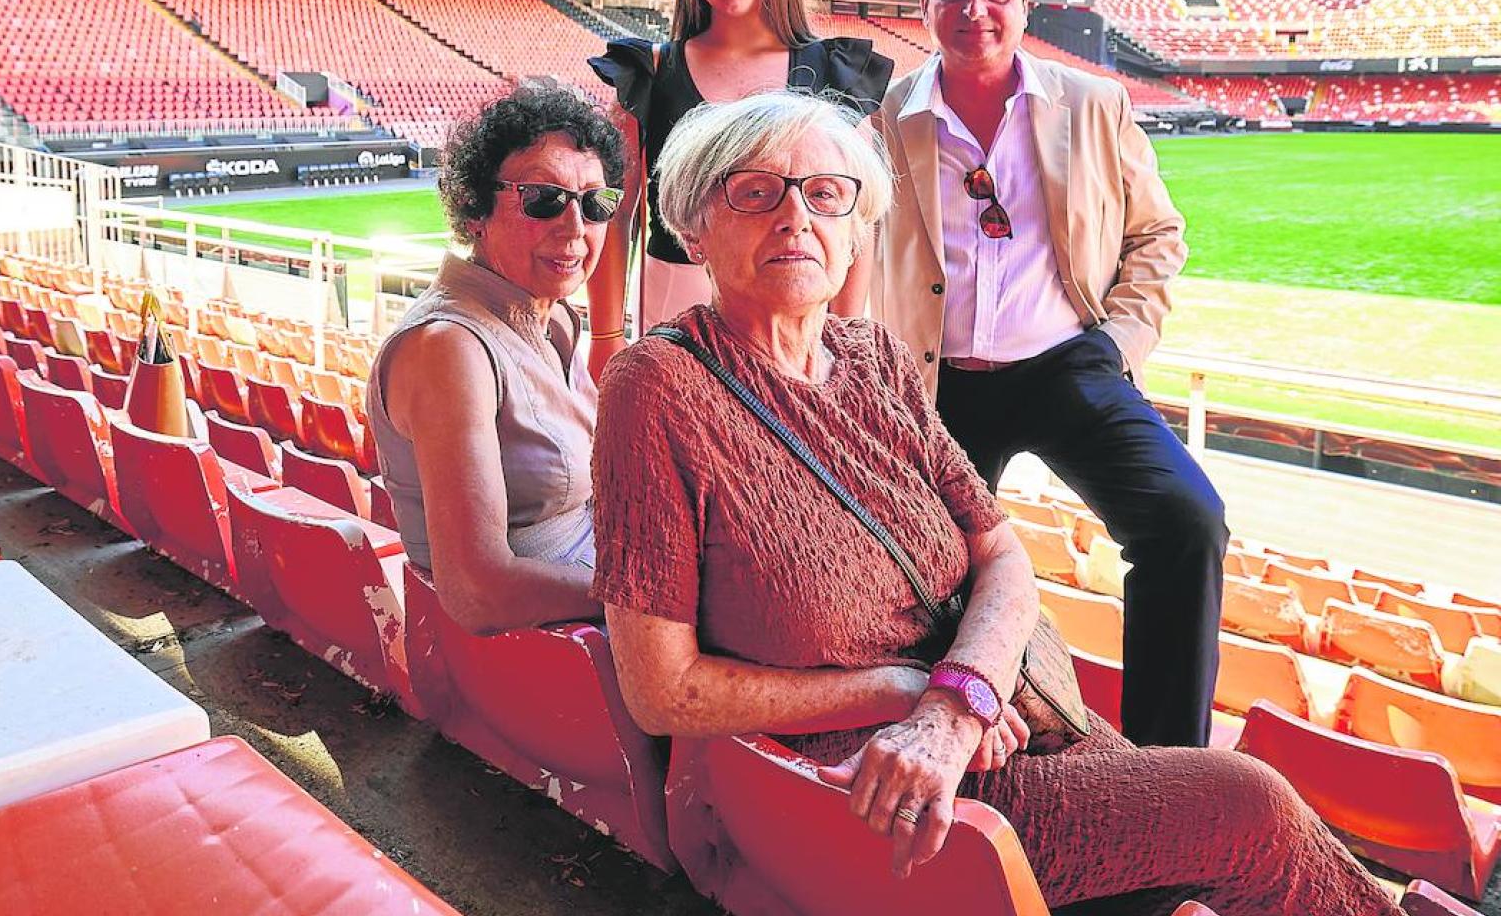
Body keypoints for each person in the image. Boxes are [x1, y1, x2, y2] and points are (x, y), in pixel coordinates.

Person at [590, 90, 1411, 915]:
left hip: (991, 722)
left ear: (855, 233)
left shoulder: (873, 357)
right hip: (859, 788)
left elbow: (1000, 549)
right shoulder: (658, 388)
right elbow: (663, 689)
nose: (796, 217)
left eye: (827, 193)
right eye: (754, 190)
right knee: (1249, 808)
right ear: (693, 227)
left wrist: (962, 692)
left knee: (1231, 838)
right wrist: (906, 691)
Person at [867, 0, 1225, 749]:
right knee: (926, 572)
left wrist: (1122, 344)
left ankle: (1168, 764)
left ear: (1026, 7)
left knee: (1186, 522)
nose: (975, 9)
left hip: (1069, 363)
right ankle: (957, 742)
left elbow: (1157, 236)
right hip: (938, 380)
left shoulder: (1094, 106)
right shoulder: (887, 118)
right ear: (926, 4)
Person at [586, 0, 892, 384]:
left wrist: (843, 333)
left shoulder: (833, 73)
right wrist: (606, 335)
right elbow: (614, 216)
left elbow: (858, 221)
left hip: (796, 309)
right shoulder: (653, 73)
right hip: (675, 304)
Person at [367, 86, 624, 634]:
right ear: (476, 210)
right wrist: (655, 604)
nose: (576, 228)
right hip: (553, 650)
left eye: (597, 202)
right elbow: (479, 590)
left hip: (592, 592)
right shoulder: (449, 348)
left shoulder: (548, 317)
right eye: (542, 199)